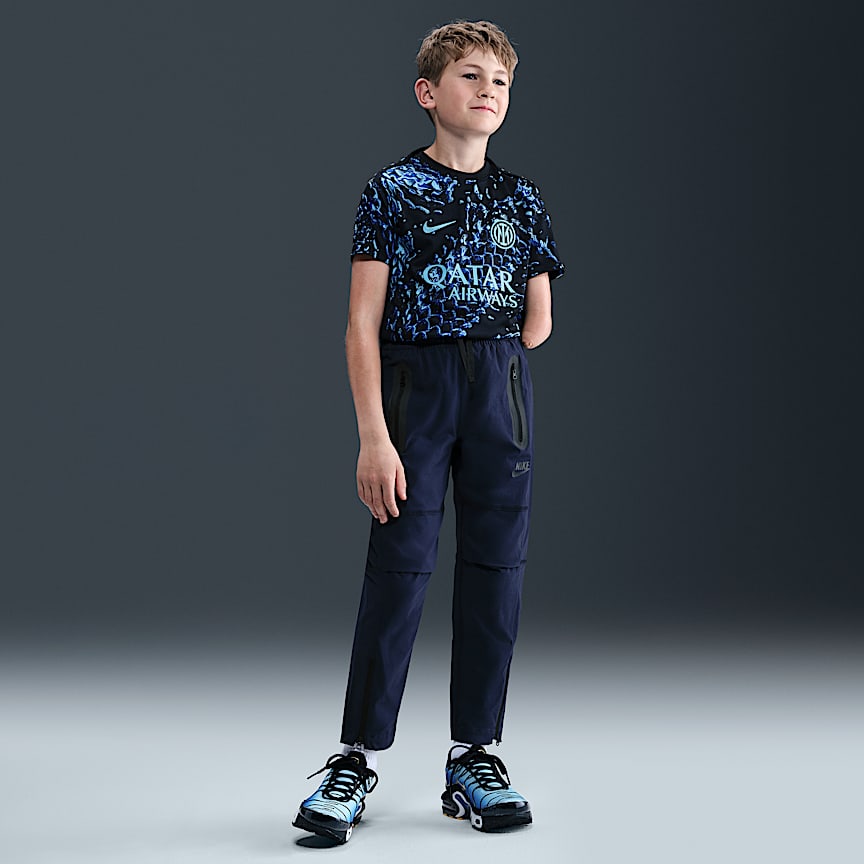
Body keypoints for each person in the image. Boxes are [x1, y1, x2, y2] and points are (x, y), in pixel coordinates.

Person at [293, 20, 565, 844]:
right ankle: (353, 758)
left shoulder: (522, 198)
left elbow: (539, 324)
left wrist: (490, 342)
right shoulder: (393, 190)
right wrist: (374, 436)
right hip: (416, 391)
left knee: (496, 570)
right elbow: (360, 323)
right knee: (399, 567)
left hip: (499, 396)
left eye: (501, 81)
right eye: (471, 75)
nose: (489, 91)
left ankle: (475, 755)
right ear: (428, 92)